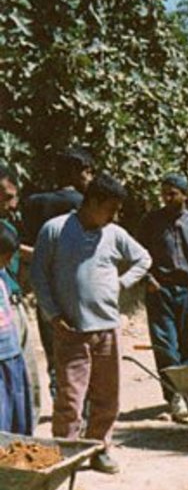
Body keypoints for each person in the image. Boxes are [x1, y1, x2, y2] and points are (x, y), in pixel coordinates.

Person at [30, 173, 151, 474]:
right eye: (111, 208)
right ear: (93, 202)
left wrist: (122, 283)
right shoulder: (55, 230)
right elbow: (39, 276)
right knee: (70, 399)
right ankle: (64, 456)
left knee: (107, 397)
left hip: (107, 328)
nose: (115, 215)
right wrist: (53, 315)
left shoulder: (114, 233)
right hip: (71, 330)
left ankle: (100, 449)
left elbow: (143, 259)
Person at [137, 172, 188, 424]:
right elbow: (138, 255)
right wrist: (149, 281)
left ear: (185, 195)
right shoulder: (150, 222)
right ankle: (173, 397)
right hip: (160, 291)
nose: (167, 198)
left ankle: (186, 393)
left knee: (185, 344)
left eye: (172, 193)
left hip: (186, 292)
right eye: (164, 193)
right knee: (165, 345)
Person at [21, 146, 94, 401]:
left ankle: (61, 401)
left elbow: (22, 247)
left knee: (54, 349)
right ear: (76, 172)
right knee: (83, 349)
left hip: (46, 288)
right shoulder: (85, 206)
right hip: (80, 286)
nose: (90, 177)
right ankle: (79, 409)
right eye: (87, 171)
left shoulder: (34, 204)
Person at [0, 163, 41, 420]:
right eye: (7, 197)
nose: (13, 204)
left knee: (25, 380)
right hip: (4, 316)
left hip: (16, 306)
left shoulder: (8, 227)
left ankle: (26, 443)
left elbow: (18, 252)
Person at [0, 223, 33, 434]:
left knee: (16, 416)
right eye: (4, 257)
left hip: (12, 355)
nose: (6, 263)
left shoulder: (2, 277)